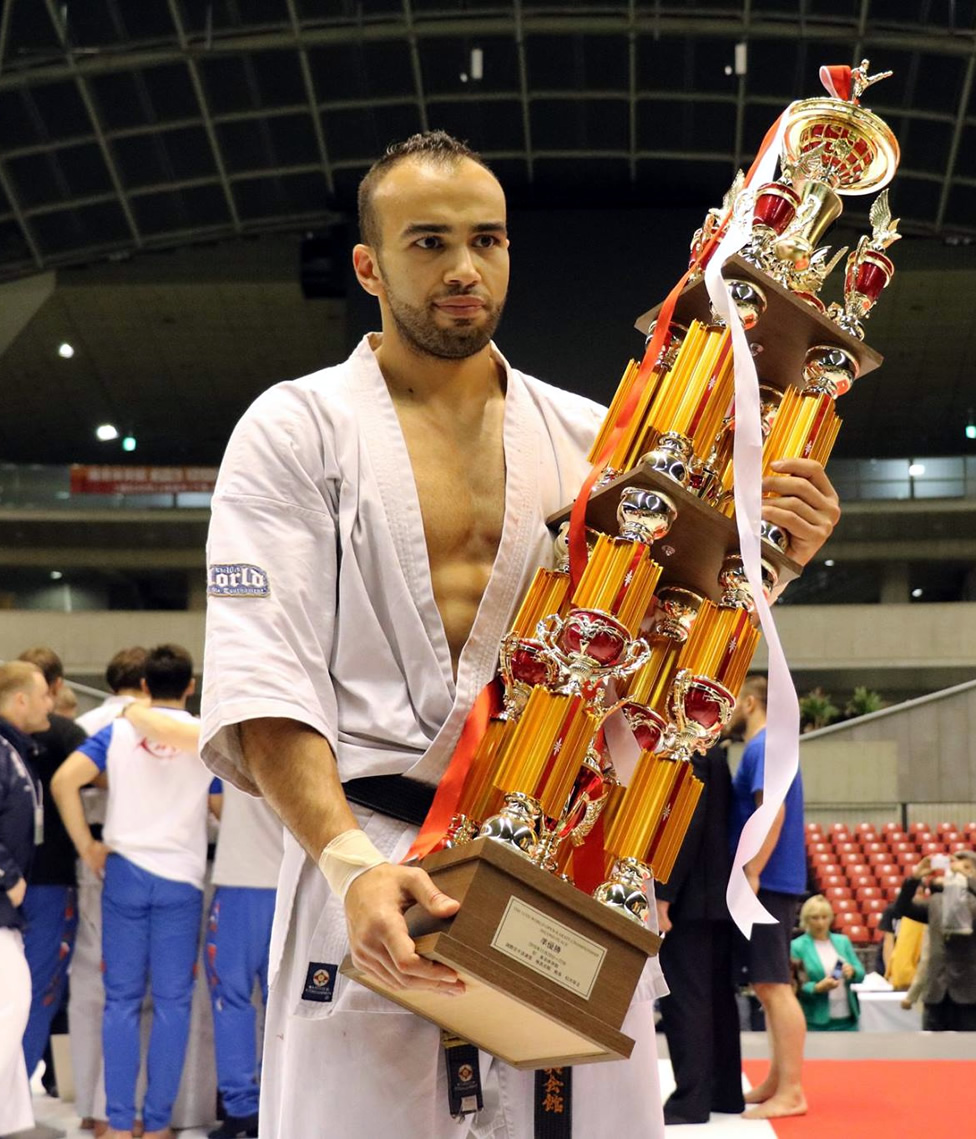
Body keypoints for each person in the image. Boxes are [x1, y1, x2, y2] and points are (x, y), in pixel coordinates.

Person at [199, 130, 841, 1139]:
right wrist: (345, 862)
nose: (462, 267)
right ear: (368, 265)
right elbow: (264, 673)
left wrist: (759, 570)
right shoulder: (296, 430)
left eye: (486, 240)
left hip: (564, 858)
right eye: (427, 242)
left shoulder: (599, 443)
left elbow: (657, 663)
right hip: (372, 861)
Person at [51, 644, 222, 1139]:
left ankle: (120, 1123)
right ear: (190, 686)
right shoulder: (203, 737)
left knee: (120, 1003)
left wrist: (88, 845)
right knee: (172, 1005)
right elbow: (222, 809)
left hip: (123, 875)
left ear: (144, 686)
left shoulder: (119, 731)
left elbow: (65, 783)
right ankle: (161, 1124)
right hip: (182, 880)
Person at [68, 646, 148, 1136]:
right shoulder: (147, 723)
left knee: (88, 989)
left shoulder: (85, 723)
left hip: (91, 857)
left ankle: (89, 1105)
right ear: (146, 685)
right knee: (129, 994)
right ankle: (115, 1111)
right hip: (135, 862)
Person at [0, 661, 53, 1138]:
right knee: (7, 1005)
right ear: (20, 700)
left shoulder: (6, 750)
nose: (50, 701)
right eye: (43, 693)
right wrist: (7, 876)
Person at [655, 745, 746, 1126]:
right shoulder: (715, 749)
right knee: (717, 998)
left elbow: (684, 819)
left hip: (691, 894)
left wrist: (664, 893)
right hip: (716, 891)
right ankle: (724, 1093)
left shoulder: (689, 749)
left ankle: (691, 1099)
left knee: (687, 998)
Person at [730, 675, 808, 1119]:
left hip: (770, 878)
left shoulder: (762, 748)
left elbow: (770, 811)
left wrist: (753, 871)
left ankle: (792, 1090)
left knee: (774, 986)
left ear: (751, 702)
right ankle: (780, 1080)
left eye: (733, 701)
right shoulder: (769, 748)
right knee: (767, 984)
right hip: (776, 877)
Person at [16, 646, 86, 1081]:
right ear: (56, 687)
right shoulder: (66, 734)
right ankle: (9, 1099)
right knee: (41, 989)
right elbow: (100, 776)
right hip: (50, 881)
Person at [205, 782, 283, 1139]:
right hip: (290, 886)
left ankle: (242, 1110)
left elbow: (214, 800)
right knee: (281, 1004)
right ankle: (275, 1107)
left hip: (242, 880)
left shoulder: (233, 736)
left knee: (230, 998)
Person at [891, 850, 976, 1030]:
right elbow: (902, 908)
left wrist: (966, 879)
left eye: (967, 867)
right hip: (936, 994)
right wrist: (914, 878)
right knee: (933, 1053)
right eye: (956, 866)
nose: (959, 870)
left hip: (969, 995)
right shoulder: (936, 901)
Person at [789, 895, 865, 1030]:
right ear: (806, 920)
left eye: (824, 917)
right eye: (815, 918)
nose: (820, 923)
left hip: (847, 1018)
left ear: (831, 918)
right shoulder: (797, 946)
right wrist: (817, 988)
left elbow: (861, 972)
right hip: (815, 1020)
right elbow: (796, 983)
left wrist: (852, 971)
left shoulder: (843, 942)